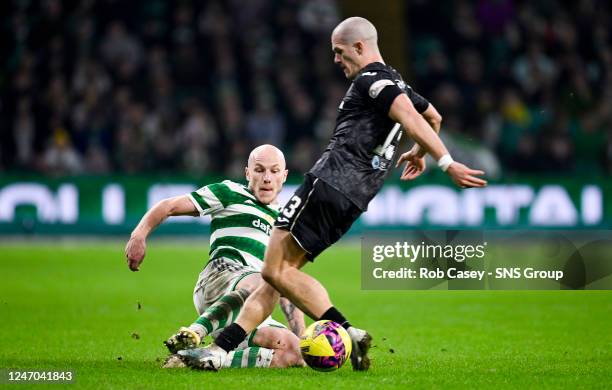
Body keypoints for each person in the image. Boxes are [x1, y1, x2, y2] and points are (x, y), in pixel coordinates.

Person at [180, 16, 487, 372]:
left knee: (274, 269)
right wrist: (417, 152)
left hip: (330, 183)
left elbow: (409, 116)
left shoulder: (372, 79)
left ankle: (345, 331)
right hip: (355, 198)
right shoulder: (396, 79)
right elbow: (433, 116)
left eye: (339, 52)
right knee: (279, 274)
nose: (336, 60)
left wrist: (445, 162)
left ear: (360, 47)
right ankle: (221, 350)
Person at [125, 144, 305, 369]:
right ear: (248, 173)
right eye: (259, 170)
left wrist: (304, 340)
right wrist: (139, 235)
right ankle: (196, 331)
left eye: (274, 171)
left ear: (284, 176)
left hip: (250, 305)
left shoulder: (285, 225)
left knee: (293, 352)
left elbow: (286, 287)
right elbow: (168, 206)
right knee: (267, 278)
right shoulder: (229, 192)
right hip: (219, 277)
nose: (267, 178)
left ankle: (198, 357)